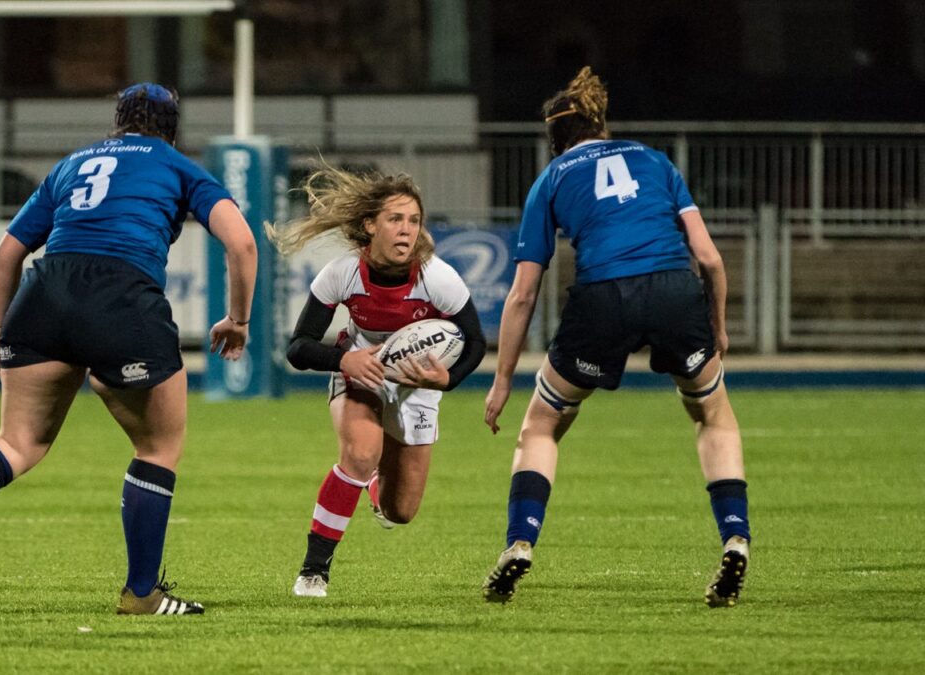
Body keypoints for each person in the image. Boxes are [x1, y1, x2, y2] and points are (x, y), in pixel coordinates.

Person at [0, 83, 257, 616]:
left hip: (43, 294)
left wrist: (0, 332)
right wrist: (238, 320)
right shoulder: (176, 165)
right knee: (157, 449)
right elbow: (241, 243)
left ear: (117, 120)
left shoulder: (72, 163)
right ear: (172, 128)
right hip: (121, 293)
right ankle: (142, 594)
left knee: (19, 441)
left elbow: (10, 250)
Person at [480, 67, 751, 608]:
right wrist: (716, 326)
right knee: (712, 415)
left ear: (555, 139)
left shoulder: (552, 178)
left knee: (542, 425)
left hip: (603, 296)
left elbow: (523, 294)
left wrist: (502, 379)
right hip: (675, 291)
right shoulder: (655, 161)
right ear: (602, 124)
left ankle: (520, 542)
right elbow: (710, 259)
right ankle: (736, 536)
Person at [267, 167, 488, 597]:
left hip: (417, 383)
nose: (406, 230)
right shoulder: (343, 272)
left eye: (413, 221)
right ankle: (314, 571)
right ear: (370, 225)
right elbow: (298, 347)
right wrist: (344, 359)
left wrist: (447, 381)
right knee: (361, 453)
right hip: (361, 370)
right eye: (395, 219)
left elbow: (476, 342)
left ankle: (374, 485)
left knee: (401, 511)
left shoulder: (437, 278)